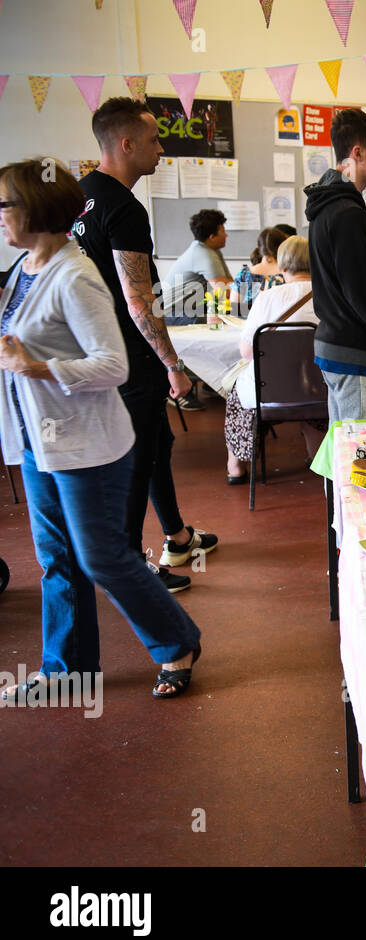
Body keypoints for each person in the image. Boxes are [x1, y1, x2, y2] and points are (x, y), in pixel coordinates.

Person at [0, 158, 202, 700]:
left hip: (85, 443)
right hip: (38, 439)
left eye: (5, 205)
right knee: (56, 558)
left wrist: (36, 367)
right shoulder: (24, 269)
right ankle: (66, 670)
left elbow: (113, 365)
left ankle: (177, 641)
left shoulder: (75, 274)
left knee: (101, 556)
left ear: (34, 210)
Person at [75, 97, 218, 594]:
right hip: (127, 355)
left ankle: (177, 537)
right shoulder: (123, 207)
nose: (162, 150)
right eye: (155, 140)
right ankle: (132, 563)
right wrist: (173, 364)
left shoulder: (80, 197)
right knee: (136, 459)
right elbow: (139, 300)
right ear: (126, 144)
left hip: (93, 348)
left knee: (158, 444)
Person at [305, 108, 366, 424]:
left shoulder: (330, 205)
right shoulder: (346, 212)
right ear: (357, 153)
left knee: (347, 454)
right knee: (363, 460)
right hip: (358, 354)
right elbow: (363, 294)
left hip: (338, 346)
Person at [224, 236, 322, 484]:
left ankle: (235, 466)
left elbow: (247, 352)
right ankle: (317, 456)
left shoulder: (267, 297)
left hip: (267, 393)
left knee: (236, 398)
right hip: (319, 390)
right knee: (313, 395)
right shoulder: (329, 296)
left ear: (282, 265)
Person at [232, 226, 288, 309]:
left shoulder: (244, 275)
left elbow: (235, 308)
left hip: (250, 321)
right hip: (285, 321)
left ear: (258, 248)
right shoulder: (289, 273)